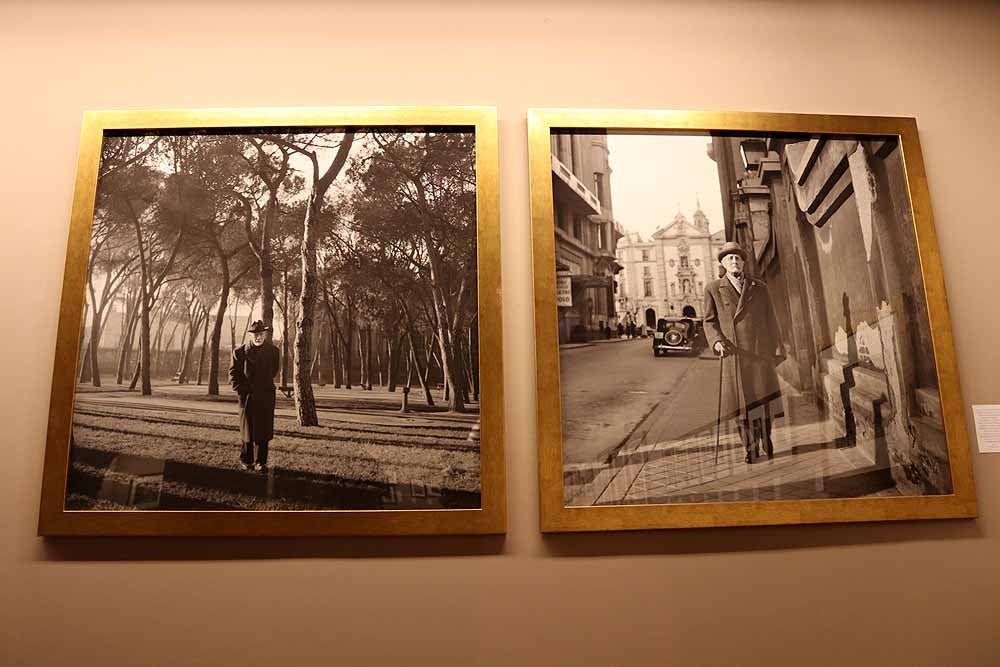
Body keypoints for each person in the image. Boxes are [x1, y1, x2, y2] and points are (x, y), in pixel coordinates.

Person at [703, 242, 785, 464]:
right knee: (741, 406)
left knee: (763, 399)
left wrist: (777, 348)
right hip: (734, 354)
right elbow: (709, 321)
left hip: (760, 353)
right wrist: (716, 342)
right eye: (729, 258)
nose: (734, 261)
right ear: (722, 263)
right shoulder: (713, 289)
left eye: (737, 258)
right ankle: (750, 447)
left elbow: (771, 319)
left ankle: (765, 437)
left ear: (743, 262)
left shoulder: (759, 287)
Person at [229, 320, 281, 472]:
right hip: (247, 398)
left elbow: (274, 371)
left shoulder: (274, 352)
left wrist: (263, 387)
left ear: (265, 334)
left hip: (265, 396)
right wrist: (242, 391)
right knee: (247, 430)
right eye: (255, 334)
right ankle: (247, 460)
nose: (258, 337)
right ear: (250, 335)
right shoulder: (239, 352)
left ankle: (261, 462)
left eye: (261, 334)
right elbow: (233, 375)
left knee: (263, 431)